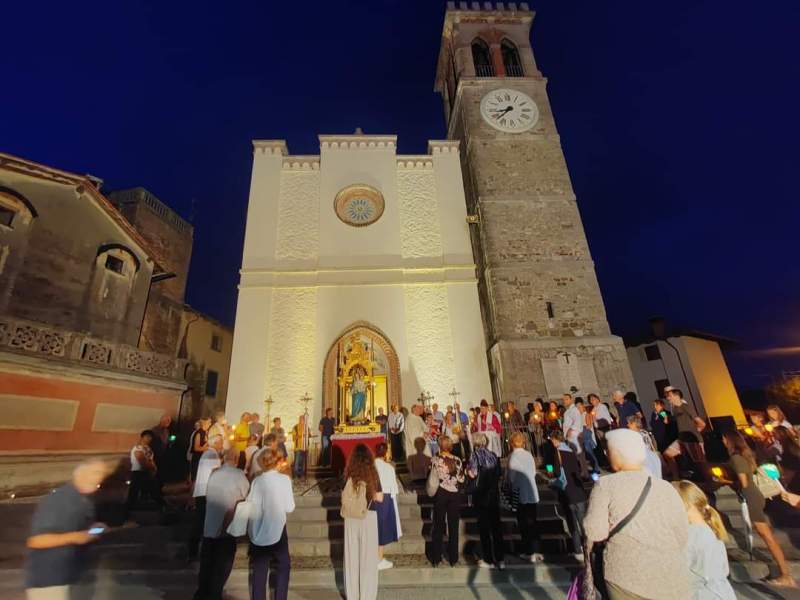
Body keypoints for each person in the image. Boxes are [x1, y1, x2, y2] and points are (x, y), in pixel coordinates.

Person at [583, 428, 689, 599]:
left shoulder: (607, 485)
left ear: (617, 454)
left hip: (627, 576)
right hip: (670, 575)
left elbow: (595, 531)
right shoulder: (666, 487)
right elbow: (683, 535)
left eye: (608, 451)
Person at [25, 460, 110, 599]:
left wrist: (95, 529)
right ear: (80, 474)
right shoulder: (60, 500)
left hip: (73, 580)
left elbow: (84, 533)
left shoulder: (85, 500)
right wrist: (77, 537)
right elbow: (36, 541)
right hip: (50, 582)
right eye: (96, 472)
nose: (100, 477)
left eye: (102, 474)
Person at [722, 431, 796, 588]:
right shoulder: (746, 455)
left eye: (724, 438)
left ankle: (786, 574)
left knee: (768, 537)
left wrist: (723, 480)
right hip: (757, 495)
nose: (723, 441)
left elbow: (744, 482)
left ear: (729, 441)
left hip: (752, 498)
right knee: (767, 536)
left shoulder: (735, 458)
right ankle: (783, 572)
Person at [193, 448, 249, 600]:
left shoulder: (214, 474)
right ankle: (214, 594)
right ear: (236, 458)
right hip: (227, 526)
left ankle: (202, 593)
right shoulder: (239, 475)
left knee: (206, 564)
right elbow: (246, 496)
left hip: (209, 526)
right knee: (222, 565)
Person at [672, 480, 736, 600]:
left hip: (704, 594)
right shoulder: (709, 528)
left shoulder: (692, 534)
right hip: (721, 593)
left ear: (685, 505)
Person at [246, 448, 295, 600]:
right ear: (277, 461)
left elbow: (251, 504)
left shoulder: (257, 481)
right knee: (283, 566)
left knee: (260, 569)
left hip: (259, 528)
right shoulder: (284, 480)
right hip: (278, 529)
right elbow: (289, 507)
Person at [342, 444, 382, 600]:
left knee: (351, 558)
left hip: (350, 517)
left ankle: (352, 595)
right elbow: (379, 497)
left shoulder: (348, 474)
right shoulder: (373, 474)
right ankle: (367, 596)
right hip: (368, 516)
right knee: (368, 559)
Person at [467, 433, 505, 570]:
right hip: (493, 494)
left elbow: (473, 473)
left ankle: (488, 558)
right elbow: (499, 473)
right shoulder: (494, 455)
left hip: (481, 495)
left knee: (484, 528)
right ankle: (500, 559)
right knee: (496, 527)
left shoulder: (475, 455)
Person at [547, 430, 587, 558]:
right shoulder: (571, 450)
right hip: (579, 491)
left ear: (555, 439)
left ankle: (577, 549)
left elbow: (558, 472)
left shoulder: (558, 452)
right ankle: (589, 547)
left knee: (572, 523)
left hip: (568, 492)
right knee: (583, 523)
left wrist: (550, 473)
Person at [506, 432, 543, 563]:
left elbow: (511, 477)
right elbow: (533, 472)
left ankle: (529, 551)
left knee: (524, 523)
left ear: (512, 443)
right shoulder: (528, 455)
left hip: (520, 492)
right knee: (533, 521)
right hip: (532, 491)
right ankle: (537, 549)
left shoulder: (512, 456)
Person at [429, 435, 465, 567]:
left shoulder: (435, 459)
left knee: (438, 525)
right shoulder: (458, 460)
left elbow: (432, 475)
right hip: (454, 494)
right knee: (453, 526)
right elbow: (461, 479)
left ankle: (436, 557)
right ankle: (453, 558)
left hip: (441, 492)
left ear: (440, 446)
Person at [190, 434, 223, 560]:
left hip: (201, 492)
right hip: (207, 493)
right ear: (215, 443)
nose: (222, 445)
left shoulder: (206, 454)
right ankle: (201, 552)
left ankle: (194, 551)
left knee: (199, 522)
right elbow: (216, 473)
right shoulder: (212, 455)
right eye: (221, 442)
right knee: (203, 522)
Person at [374, 442, 401, 570]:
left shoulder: (370, 466)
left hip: (371, 499)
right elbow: (394, 489)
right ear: (385, 453)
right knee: (382, 530)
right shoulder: (389, 468)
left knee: (374, 529)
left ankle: (374, 558)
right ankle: (378, 559)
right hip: (384, 499)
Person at [665, 387, 705, 466]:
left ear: (676, 396)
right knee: (667, 453)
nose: (667, 398)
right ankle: (676, 475)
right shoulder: (675, 409)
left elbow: (702, 423)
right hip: (682, 439)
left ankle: (709, 477)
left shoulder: (686, 406)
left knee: (699, 462)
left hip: (693, 440)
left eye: (669, 395)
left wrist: (694, 432)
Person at [128, 429, 164, 511]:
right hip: (138, 473)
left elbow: (151, 460)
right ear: (142, 437)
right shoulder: (137, 448)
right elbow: (143, 462)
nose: (149, 439)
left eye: (150, 437)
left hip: (148, 473)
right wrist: (152, 467)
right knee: (133, 494)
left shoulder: (148, 448)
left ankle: (148, 511)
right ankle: (128, 512)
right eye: (147, 437)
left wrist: (153, 469)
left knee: (151, 493)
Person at [578, 401, 601, 474]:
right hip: (582, 434)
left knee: (589, 452)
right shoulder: (579, 416)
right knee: (586, 453)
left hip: (586, 433)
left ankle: (596, 468)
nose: (578, 408)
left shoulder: (586, 414)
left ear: (583, 407)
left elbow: (589, 425)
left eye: (579, 407)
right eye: (577, 407)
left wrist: (582, 429)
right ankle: (593, 468)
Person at [188, 418, 211, 483]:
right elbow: (196, 448)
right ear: (204, 423)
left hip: (203, 458)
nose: (210, 424)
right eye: (209, 422)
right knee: (195, 479)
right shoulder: (199, 433)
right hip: (197, 458)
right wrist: (208, 448)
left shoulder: (205, 433)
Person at [291, 414, 311, 479]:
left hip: (305, 448)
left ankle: (302, 474)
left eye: (304, 419)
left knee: (303, 462)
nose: (303, 420)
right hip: (298, 447)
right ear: (299, 419)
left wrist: (308, 435)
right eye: (302, 419)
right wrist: (301, 436)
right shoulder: (295, 427)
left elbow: (309, 435)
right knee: (297, 462)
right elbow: (294, 438)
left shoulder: (307, 427)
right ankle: (296, 475)